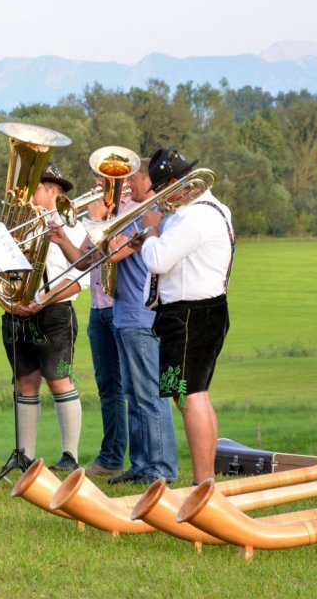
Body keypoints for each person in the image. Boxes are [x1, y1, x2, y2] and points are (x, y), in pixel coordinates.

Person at [137, 148, 233, 484]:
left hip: (191, 314)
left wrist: (150, 231)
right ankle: (205, 480)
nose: (159, 199)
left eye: (162, 190)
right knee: (194, 395)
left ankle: (203, 482)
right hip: (201, 311)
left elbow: (158, 261)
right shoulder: (208, 208)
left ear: (177, 183)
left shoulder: (193, 216)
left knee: (188, 396)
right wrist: (156, 234)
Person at [1, 162, 87, 473]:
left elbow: (81, 278)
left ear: (53, 190)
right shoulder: (21, 223)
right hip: (18, 310)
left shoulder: (73, 223)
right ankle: (23, 454)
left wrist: (40, 302)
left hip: (53, 312)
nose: (27, 193)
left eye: (35, 187)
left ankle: (70, 455)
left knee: (58, 379)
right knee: (25, 382)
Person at [100, 159, 179, 485]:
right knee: (133, 394)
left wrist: (104, 225)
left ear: (149, 180)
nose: (129, 185)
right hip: (123, 314)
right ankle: (142, 464)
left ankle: (161, 469)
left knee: (150, 395)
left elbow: (112, 253)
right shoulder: (133, 215)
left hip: (141, 316)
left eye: (135, 179)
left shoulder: (150, 215)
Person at [82, 180, 127, 479]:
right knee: (108, 387)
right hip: (98, 308)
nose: (97, 184)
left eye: (103, 179)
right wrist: (63, 238)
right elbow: (83, 261)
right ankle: (111, 457)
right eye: (95, 178)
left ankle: (147, 460)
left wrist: (98, 221)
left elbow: (115, 253)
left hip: (122, 307)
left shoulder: (131, 211)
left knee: (134, 389)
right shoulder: (97, 214)